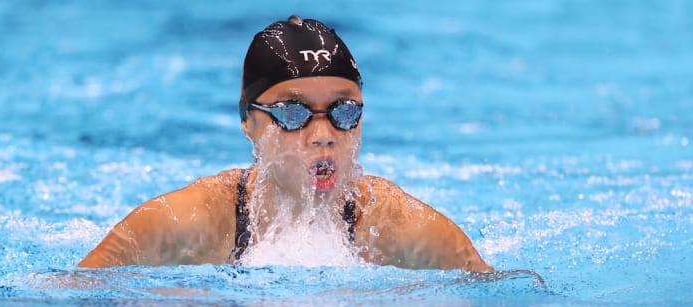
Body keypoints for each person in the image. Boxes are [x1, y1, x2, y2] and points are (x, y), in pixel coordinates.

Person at [79, 15, 493, 272]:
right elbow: (72, 292)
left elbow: (493, 291)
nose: (323, 135)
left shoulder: (396, 225)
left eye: (344, 111)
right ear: (249, 122)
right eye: (293, 114)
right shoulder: (188, 221)